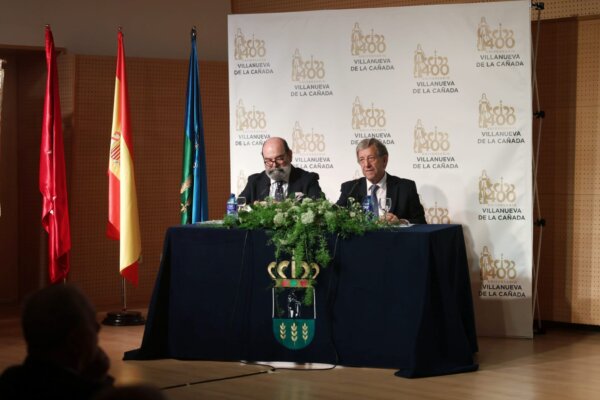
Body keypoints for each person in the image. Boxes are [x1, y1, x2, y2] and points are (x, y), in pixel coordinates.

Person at [0, 284, 114, 400]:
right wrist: (99, 381)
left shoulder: (9, 380)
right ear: (74, 340)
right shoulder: (85, 392)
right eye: (91, 321)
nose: (98, 328)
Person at [336, 138, 426, 225]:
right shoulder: (350, 188)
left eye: (371, 158)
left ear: (384, 160)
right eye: (362, 159)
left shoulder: (405, 188)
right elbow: (335, 217)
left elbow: (421, 222)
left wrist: (400, 222)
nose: (366, 165)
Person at [239, 136, 322, 203]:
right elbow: (238, 208)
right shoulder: (254, 182)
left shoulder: (308, 180)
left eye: (279, 159)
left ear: (289, 155)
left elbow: (319, 209)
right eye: (268, 160)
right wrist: (256, 207)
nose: (274, 165)